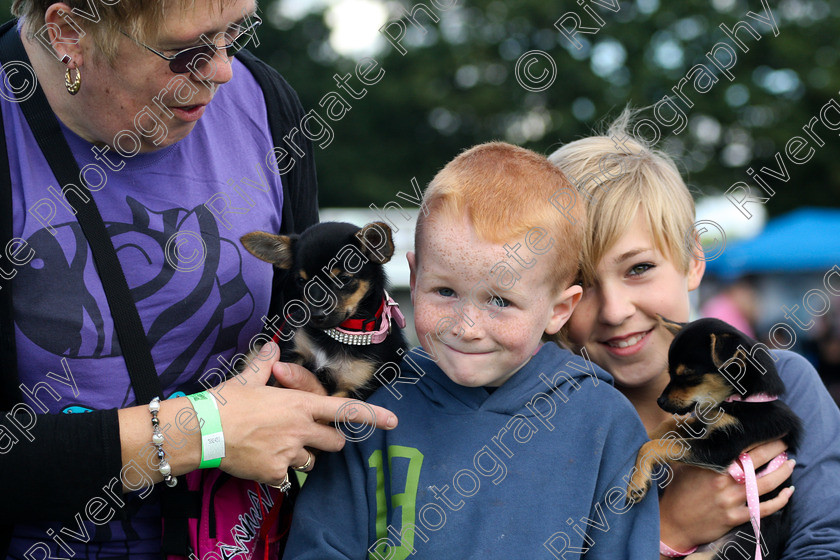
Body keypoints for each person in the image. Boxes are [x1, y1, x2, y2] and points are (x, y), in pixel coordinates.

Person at [0, 1, 397, 557]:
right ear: (69, 31)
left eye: (235, 31)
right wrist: (201, 433)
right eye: (189, 49)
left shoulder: (265, 102)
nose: (223, 69)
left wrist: (305, 392)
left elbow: (298, 326)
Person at [283, 142, 660, 559]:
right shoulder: (371, 404)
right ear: (414, 277)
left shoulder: (605, 424)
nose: (465, 328)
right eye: (444, 291)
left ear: (558, 310)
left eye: (500, 301)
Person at [548, 111, 840, 559]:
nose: (614, 310)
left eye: (639, 268)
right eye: (581, 283)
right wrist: (670, 530)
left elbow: (824, 543)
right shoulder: (542, 422)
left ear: (693, 261)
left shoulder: (785, 386)